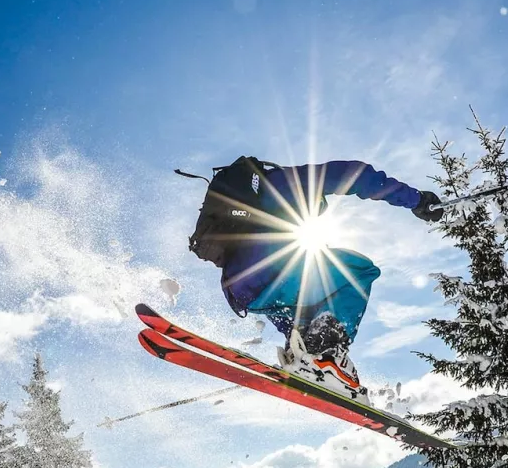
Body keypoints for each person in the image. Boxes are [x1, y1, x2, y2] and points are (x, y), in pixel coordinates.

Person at [182, 156, 441, 395]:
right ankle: (324, 356)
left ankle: (302, 356)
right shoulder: (287, 183)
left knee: (307, 305)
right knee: (358, 271)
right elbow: (356, 175)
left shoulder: (251, 202)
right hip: (271, 270)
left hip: (241, 291)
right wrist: (416, 200)